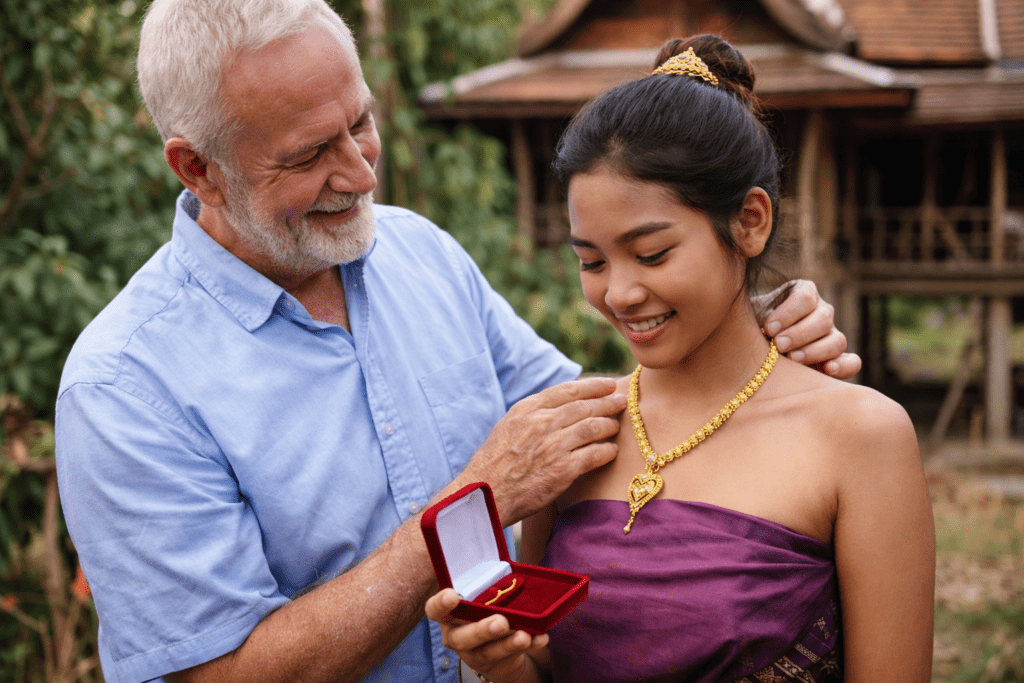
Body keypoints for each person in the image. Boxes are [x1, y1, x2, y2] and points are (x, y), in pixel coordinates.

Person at [54, 2, 859, 681]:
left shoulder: (417, 252)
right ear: (199, 170)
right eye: (308, 155)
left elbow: (609, 421)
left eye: (361, 123)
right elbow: (218, 672)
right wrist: (472, 504)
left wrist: (755, 344)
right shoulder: (125, 386)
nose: (362, 172)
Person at [426, 35, 935, 683]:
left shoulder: (861, 436)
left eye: (653, 253)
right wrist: (503, 664)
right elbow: (551, 667)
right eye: (591, 261)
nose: (619, 292)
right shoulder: (574, 438)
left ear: (750, 221)